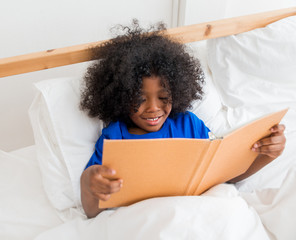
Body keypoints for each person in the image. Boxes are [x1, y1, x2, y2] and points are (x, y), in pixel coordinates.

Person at [79, 21, 286, 218]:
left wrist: (266, 156)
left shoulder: (189, 124)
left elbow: (226, 177)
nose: (153, 108)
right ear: (121, 96)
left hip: (199, 215)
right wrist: (89, 184)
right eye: (140, 99)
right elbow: (92, 212)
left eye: (163, 97)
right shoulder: (114, 137)